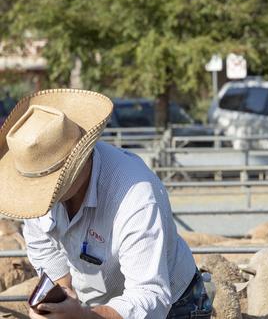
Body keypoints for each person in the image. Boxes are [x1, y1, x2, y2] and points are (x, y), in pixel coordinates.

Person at [0, 89, 212, 318]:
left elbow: (149, 296)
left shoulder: (135, 194)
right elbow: (45, 250)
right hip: (94, 304)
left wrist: (83, 316)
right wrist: (60, 299)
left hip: (174, 304)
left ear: (80, 163)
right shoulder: (34, 191)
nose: (41, 196)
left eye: (50, 186)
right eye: (37, 185)